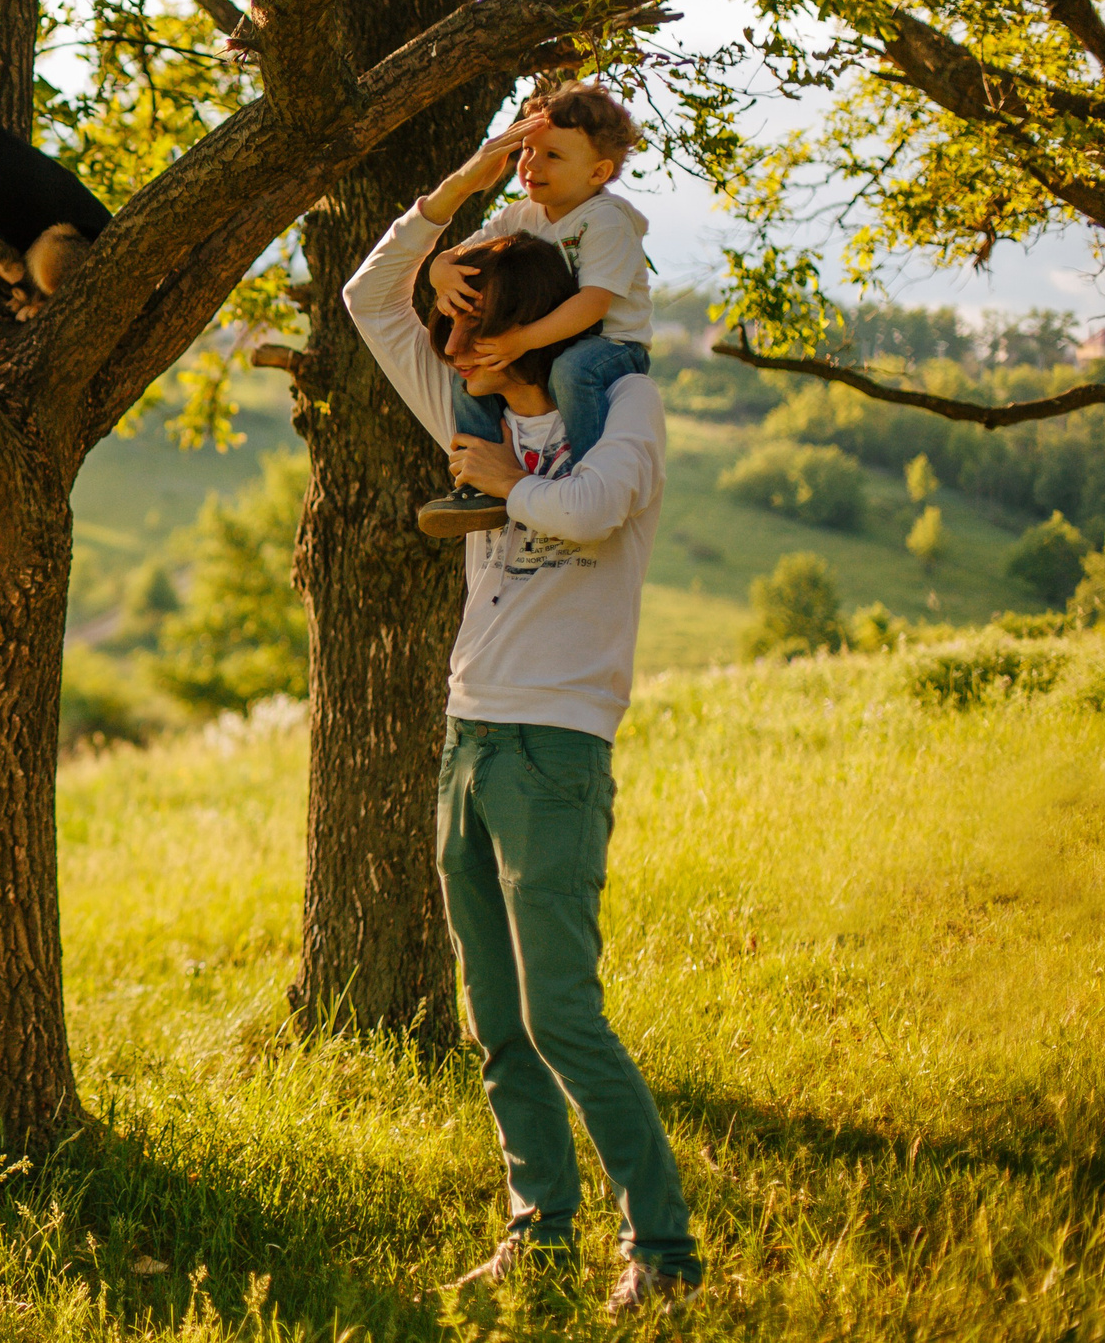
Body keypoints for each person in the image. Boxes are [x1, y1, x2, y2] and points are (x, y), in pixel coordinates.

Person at [342, 172, 705, 1317]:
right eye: (448, 325)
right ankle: (539, 1231)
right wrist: (453, 208)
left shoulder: (622, 411)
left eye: (468, 330)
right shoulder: (471, 408)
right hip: (469, 740)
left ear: (522, 334)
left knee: (562, 1017)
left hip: (555, 747)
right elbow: (367, 299)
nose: (448, 347)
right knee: (495, 1021)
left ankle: (664, 1249)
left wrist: (509, 482)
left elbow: (597, 508)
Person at [419, 83, 654, 537]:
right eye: (528, 149)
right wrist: (440, 271)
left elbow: (593, 305)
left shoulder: (604, 220)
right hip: (555, 336)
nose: (531, 164)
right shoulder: (522, 213)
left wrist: (520, 340)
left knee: (570, 372)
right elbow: (462, 256)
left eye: (553, 155)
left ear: (597, 171)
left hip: (610, 344)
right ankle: (479, 484)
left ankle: (586, 474)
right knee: (469, 370)